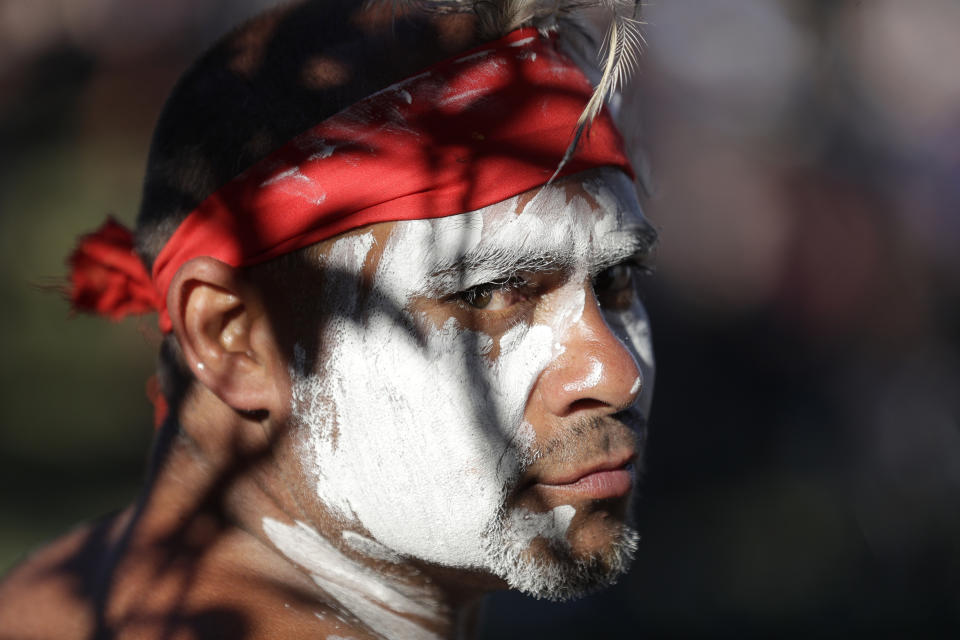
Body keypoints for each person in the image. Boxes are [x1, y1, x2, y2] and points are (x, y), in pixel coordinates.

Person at [0, 1, 656, 638]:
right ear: (232, 337)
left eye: (616, 280)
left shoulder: (55, 589)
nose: (614, 372)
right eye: (487, 294)